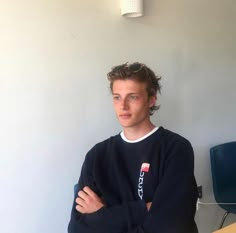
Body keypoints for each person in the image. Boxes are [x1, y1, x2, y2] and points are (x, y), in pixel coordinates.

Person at [68, 62, 199, 233]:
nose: (123, 106)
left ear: (151, 100)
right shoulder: (96, 156)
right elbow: (78, 228)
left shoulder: (176, 148)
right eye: (117, 97)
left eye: (133, 97)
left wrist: (102, 215)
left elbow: (171, 223)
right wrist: (146, 208)